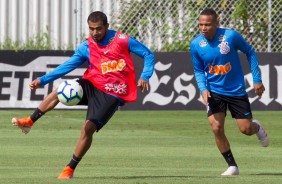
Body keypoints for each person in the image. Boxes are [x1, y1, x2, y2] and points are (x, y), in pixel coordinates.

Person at [11, 11, 155, 179]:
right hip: (92, 83)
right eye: (91, 29)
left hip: (114, 91)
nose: (95, 33)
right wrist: (42, 80)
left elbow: (148, 54)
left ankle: (69, 169)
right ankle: (29, 121)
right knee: (61, 90)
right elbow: (68, 66)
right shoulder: (86, 46)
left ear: (107, 27)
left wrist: (145, 75)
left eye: (99, 29)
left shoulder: (122, 40)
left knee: (87, 128)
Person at [190, 8, 269, 176]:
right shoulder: (196, 44)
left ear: (217, 23)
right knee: (216, 127)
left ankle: (257, 127)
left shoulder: (231, 36)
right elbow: (198, 70)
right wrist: (203, 89)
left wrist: (256, 79)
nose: (203, 28)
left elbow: (250, 52)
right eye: (201, 24)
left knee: (246, 129)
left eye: (207, 25)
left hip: (236, 90)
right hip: (214, 91)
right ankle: (232, 166)